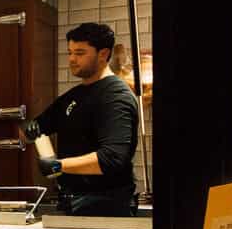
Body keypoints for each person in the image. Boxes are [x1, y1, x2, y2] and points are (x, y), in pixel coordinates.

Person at [22, 21, 142, 216]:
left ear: (103, 54)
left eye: (79, 53)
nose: (71, 59)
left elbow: (112, 159)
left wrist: (58, 165)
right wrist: (29, 129)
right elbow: (30, 132)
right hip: (71, 201)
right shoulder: (72, 97)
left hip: (106, 205)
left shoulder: (116, 97)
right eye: (70, 52)